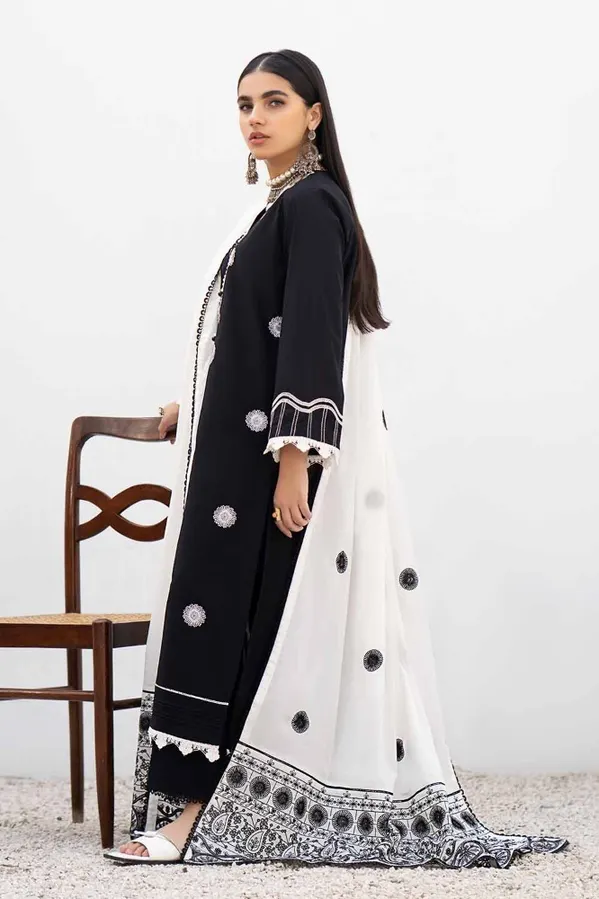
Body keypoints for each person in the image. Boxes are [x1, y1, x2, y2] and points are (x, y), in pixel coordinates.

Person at [104, 49, 569, 868]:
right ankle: (193, 806)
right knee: (218, 611)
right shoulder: (279, 206)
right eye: (243, 103)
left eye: (273, 101)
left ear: (313, 114)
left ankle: (197, 817)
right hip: (236, 451)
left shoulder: (313, 206)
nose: (254, 118)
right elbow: (250, 335)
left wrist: (295, 460)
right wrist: (193, 400)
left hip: (270, 462)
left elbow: (312, 337)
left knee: (250, 623)